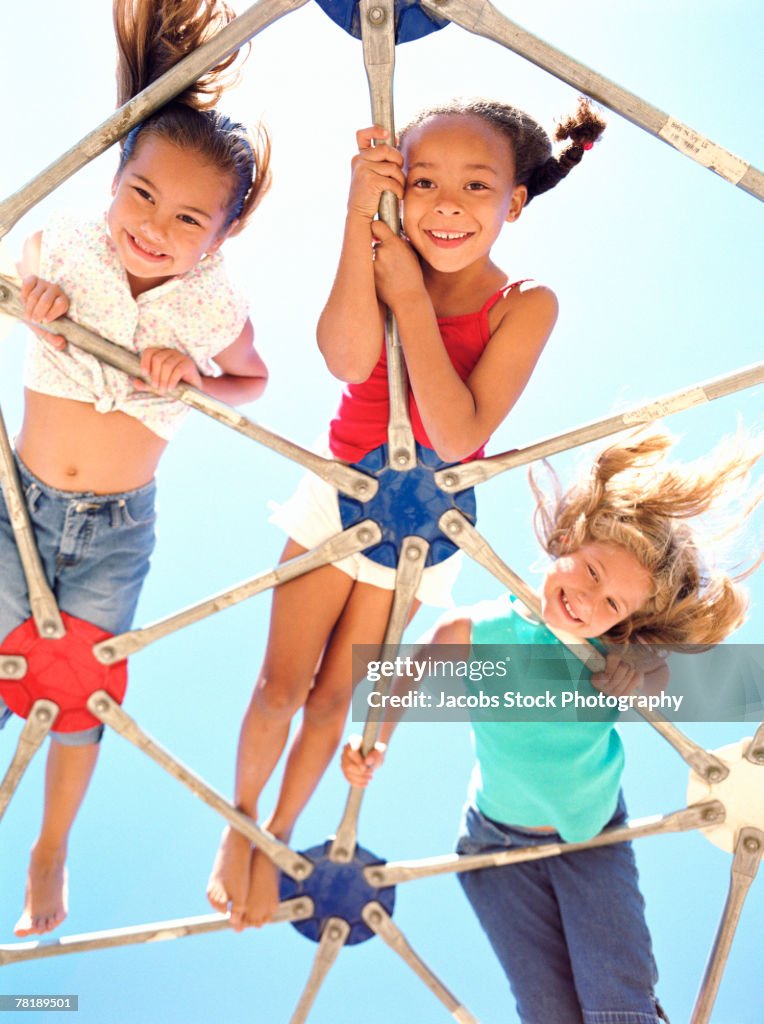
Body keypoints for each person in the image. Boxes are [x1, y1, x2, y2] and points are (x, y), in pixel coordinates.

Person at [207, 97, 606, 929]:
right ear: (397, 191)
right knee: (281, 684)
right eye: (423, 183)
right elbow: (346, 354)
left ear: (516, 202)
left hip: (425, 526)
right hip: (345, 491)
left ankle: (279, 834)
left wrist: (415, 306)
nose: (448, 205)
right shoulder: (389, 252)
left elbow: (461, 431)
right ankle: (238, 826)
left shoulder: (527, 302)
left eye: (476, 185)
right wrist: (363, 225)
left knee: (333, 701)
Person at [0, 0, 270, 938]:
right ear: (116, 180)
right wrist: (36, 301)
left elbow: (253, 381)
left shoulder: (215, 302)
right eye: (142, 196)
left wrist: (196, 378)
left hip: (117, 525)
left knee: (83, 690)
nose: (155, 226)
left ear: (219, 238)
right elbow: (19, 284)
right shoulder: (70, 241)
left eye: (189, 217)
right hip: (18, 507)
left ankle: (51, 843)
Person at [342, 430, 762, 1024]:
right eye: (590, 571)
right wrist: (377, 738)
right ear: (565, 541)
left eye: (613, 603)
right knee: (547, 1012)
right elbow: (408, 672)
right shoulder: (480, 634)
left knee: (617, 1005)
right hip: (495, 843)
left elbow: (660, 677)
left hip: (590, 838)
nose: (589, 600)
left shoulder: (609, 654)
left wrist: (634, 680)